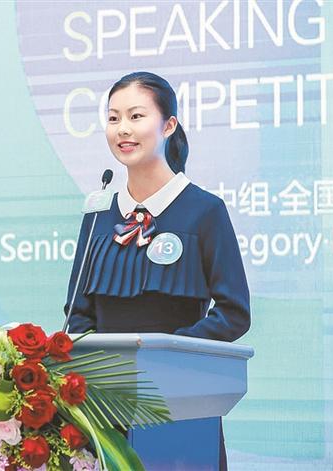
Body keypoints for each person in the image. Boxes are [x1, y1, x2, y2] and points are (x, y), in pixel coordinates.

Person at [63, 71, 251, 471]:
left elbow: (234, 312)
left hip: (181, 405)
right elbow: (77, 315)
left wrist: (168, 358)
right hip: (103, 414)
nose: (122, 129)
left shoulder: (204, 210)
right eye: (113, 118)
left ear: (168, 126)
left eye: (136, 116)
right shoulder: (97, 213)